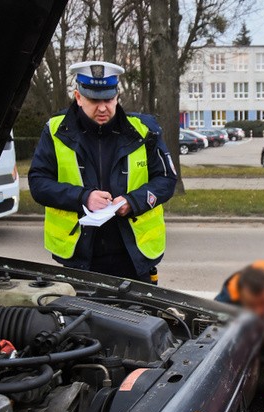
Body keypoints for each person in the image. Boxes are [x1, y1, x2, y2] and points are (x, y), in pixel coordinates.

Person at [29, 61, 177, 282]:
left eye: (108, 99)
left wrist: (133, 202)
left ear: (117, 96)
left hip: (134, 257)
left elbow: (166, 179)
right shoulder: (55, 130)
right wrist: (83, 197)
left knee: (140, 317)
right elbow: (38, 183)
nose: (102, 108)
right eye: (93, 100)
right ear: (78, 97)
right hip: (79, 257)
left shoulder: (145, 130)